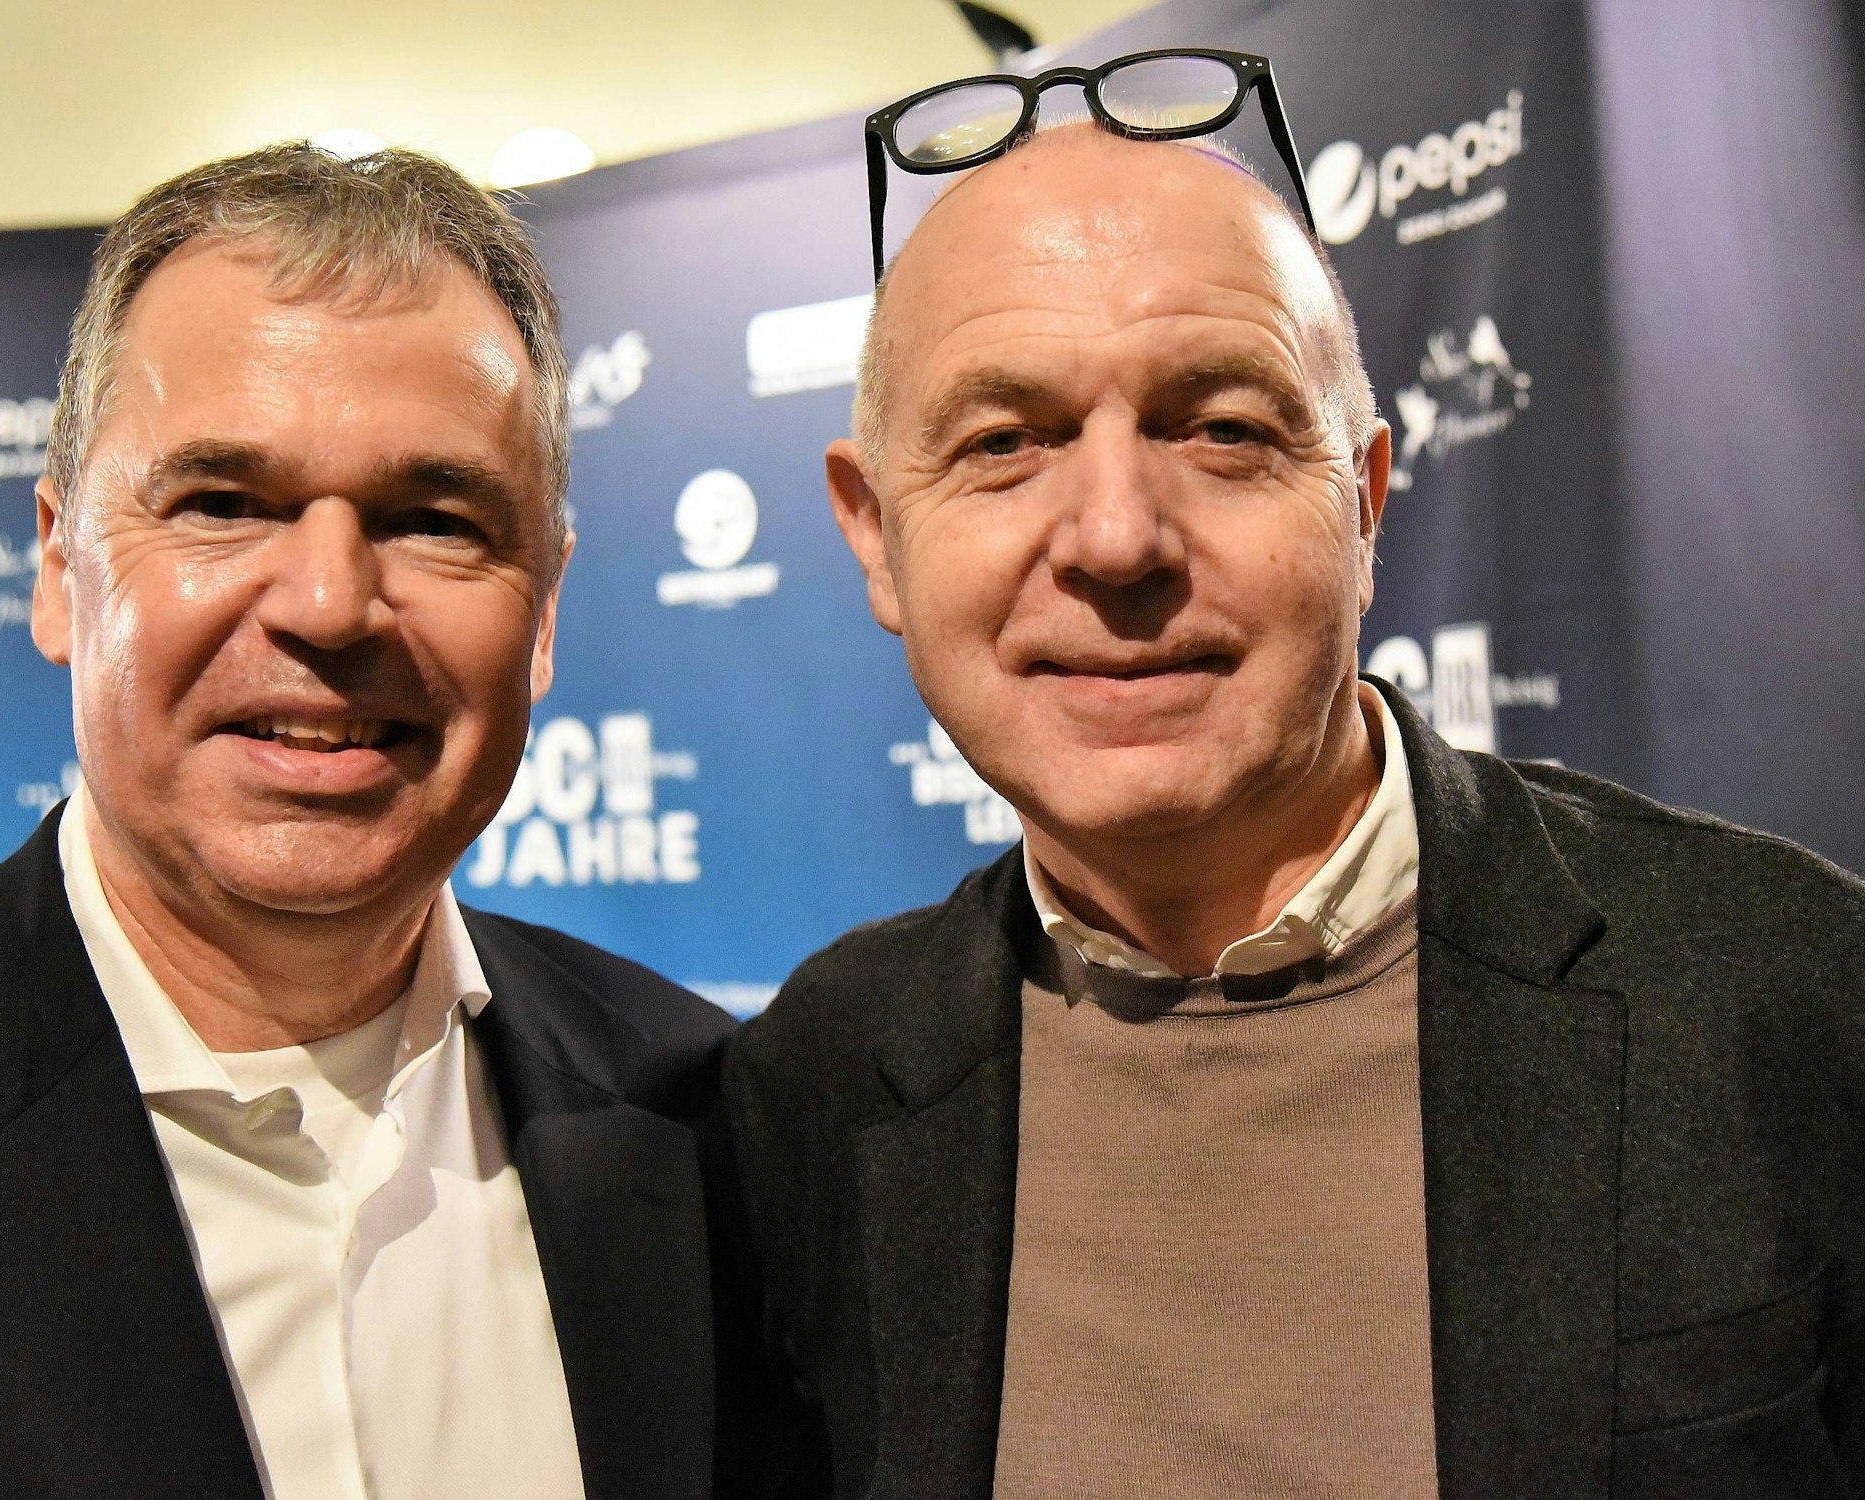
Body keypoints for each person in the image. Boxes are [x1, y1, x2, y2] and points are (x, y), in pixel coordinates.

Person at [724, 106, 1865, 1500]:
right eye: (1004, 442)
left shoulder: (1790, 990)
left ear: (1365, 505)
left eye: (1223, 430)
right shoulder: (814, 1084)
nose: (1117, 539)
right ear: (874, 535)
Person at [0, 144, 803, 1499]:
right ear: (61, 570)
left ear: (543, 610)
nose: (327, 603)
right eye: (222, 504)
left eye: (433, 520)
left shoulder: (717, 1126)